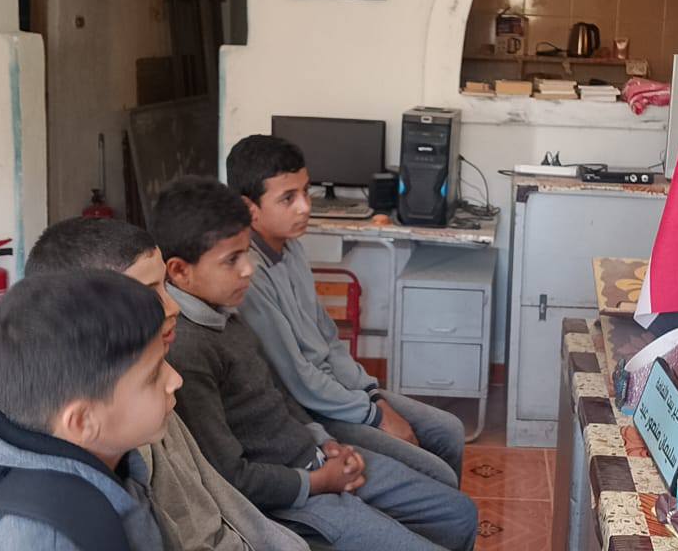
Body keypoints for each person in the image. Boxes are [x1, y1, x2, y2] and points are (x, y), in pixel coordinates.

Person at [150, 176, 478, 551]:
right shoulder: (188, 349)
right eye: (231, 260)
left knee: (458, 514)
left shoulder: (223, 309)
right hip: (290, 498)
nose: (247, 270)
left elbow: (277, 393)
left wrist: (327, 443)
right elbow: (231, 477)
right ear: (179, 271)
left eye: (247, 254)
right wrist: (320, 481)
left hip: (314, 455)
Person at [24, 217, 309, 551]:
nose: (172, 306)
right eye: (148, 295)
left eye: (165, 287)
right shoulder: (120, 425)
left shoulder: (154, 390)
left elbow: (223, 506)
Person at [226, 134, 464, 488]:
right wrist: (376, 415)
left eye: (306, 192)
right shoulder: (250, 276)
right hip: (313, 408)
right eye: (288, 198)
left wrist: (371, 395)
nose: (304, 207)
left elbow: (328, 338)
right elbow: (300, 380)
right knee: (434, 473)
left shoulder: (291, 248)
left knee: (450, 430)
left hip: (338, 392)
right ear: (249, 208)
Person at [0, 271, 178, 549]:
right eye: (154, 375)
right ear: (83, 421)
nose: (175, 381)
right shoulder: (42, 538)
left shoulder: (107, 454)